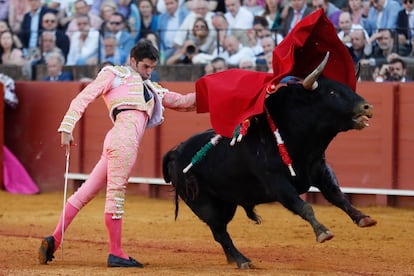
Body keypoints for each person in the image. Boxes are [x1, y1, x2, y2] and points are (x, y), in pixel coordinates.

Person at [38, 39, 196, 267]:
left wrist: (214, 93)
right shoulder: (115, 74)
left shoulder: (152, 88)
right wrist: (66, 126)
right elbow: (85, 96)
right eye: (145, 67)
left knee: (86, 193)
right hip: (124, 140)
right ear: (133, 61)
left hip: (118, 140)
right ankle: (116, 252)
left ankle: (54, 239)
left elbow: (183, 102)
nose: (149, 72)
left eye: (152, 67)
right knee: (115, 193)